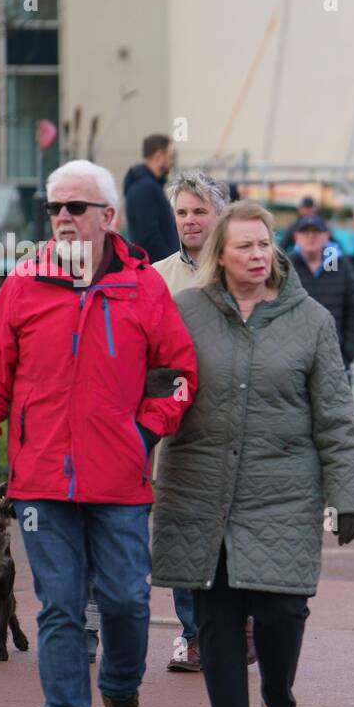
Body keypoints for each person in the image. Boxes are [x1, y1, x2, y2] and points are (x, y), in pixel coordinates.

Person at [0, 159, 198, 707]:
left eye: (75, 208)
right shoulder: (23, 287)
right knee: (60, 608)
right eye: (53, 208)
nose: (61, 218)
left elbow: (177, 376)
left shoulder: (143, 289)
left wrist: (141, 432)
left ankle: (120, 698)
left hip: (119, 484)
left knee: (124, 600)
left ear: (107, 218)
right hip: (41, 486)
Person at [151, 202, 354, 707]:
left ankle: (280, 704)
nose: (257, 254)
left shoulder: (311, 320)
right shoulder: (186, 312)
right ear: (219, 252)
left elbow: (336, 417)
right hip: (201, 489)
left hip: (285, 492)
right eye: (244, 245)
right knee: (215, 621)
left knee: (281, 612)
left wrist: (349, 494)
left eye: (264, 244)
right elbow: (158, 393)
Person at [148, 170, 231, 673]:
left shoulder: (246, 266)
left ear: (218, 214)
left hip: (234, 424)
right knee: (180, 529)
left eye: (200, 210)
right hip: (177, 425)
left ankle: (236, 620)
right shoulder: (158, 277)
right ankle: (194, 633)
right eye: (182, 212)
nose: (190, 221)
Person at [289, 214, 354, 367]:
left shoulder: (341, 265)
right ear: (296, 236)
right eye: (305, 232)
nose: (311, 237)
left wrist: (348, 353)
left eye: (316, 232)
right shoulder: (287, 266)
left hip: (335, 358)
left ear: (326, 236)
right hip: (294, 360)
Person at [122, 134, 179, 262]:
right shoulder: (144, 188)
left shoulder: (150, 185)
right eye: (170, 156)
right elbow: (149, 237)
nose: (172, 163)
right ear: (159, 156)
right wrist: (170, 263)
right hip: (159, 270)